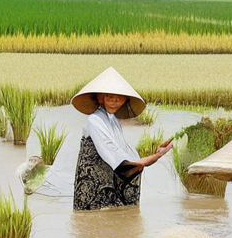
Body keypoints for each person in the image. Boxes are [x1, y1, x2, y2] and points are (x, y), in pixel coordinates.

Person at [70, 67, 172, 211]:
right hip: (93, 184)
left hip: (107, 182)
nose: (114, 102)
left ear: (125, 100)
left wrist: (156, 154)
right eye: (109, 97)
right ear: (101, 98)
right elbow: (111, 151)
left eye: (118, 98)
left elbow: (124, 150)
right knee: (91, 220)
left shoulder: (113, 121)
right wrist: (152, 158)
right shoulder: (95, 120)